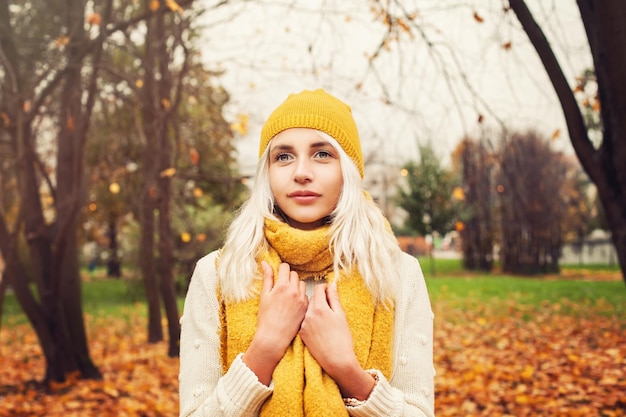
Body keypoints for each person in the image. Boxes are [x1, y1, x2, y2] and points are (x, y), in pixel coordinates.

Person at [179, 89, 435, 416]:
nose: (301, 172)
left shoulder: (397, 274)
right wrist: (265, 349)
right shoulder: (217, 273)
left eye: (322, 154)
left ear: (349, 172)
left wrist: (346, 369)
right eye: (283, 156)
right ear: (267, 174)